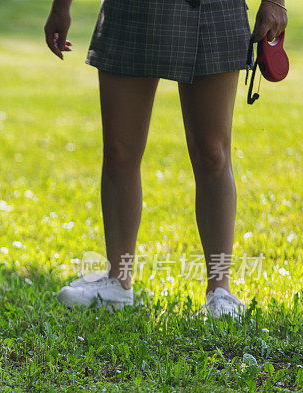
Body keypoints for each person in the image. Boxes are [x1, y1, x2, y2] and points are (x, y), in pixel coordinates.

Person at [44, 0, 288, 317]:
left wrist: (275, 2)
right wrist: (61, 7)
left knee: (213, 154)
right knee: (119, 150)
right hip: (133, 10)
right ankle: (118, 282)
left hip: (216, 8)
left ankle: (220, 292)